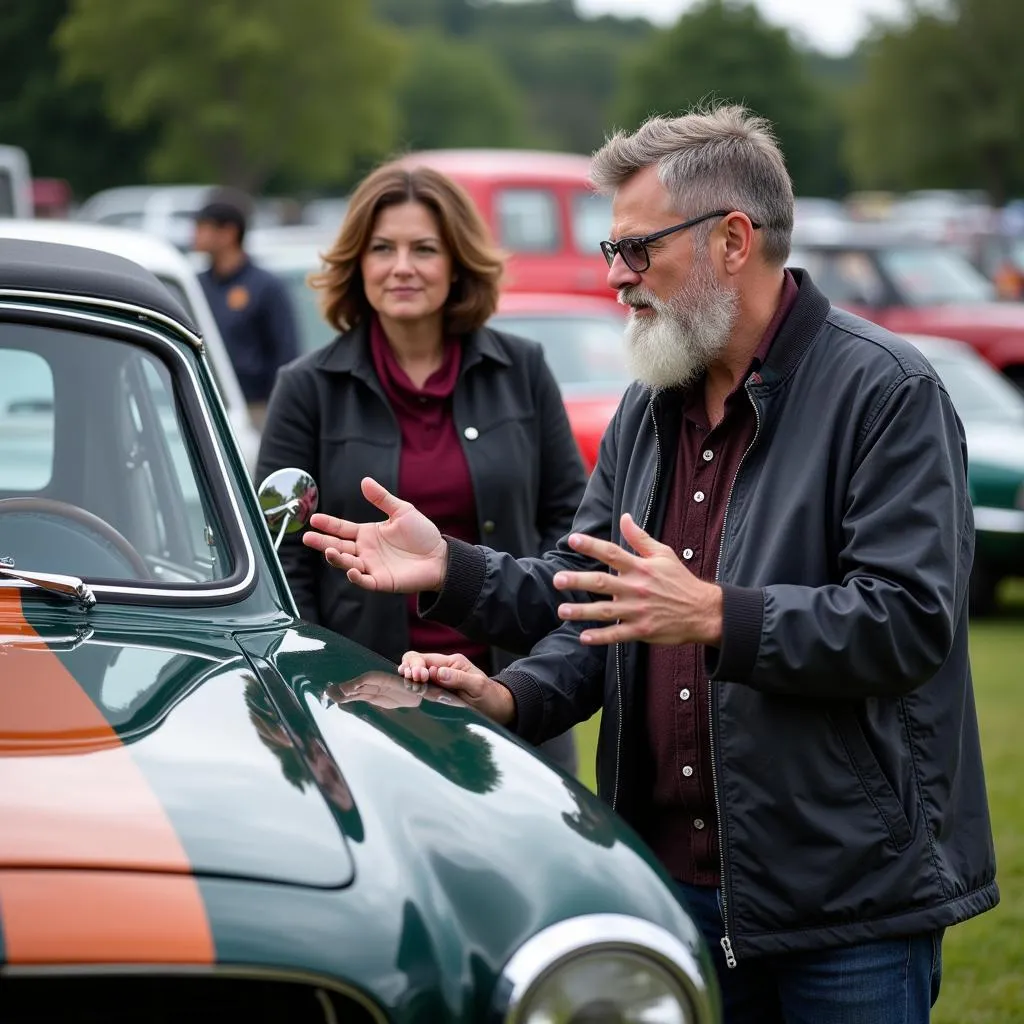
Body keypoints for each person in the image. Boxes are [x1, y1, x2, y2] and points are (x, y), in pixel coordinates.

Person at [302, 106, 999, 1022]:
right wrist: (475, 618)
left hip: (849, 905)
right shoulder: (650, 405)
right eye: (610, 249)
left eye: (637, 249)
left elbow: (907, 623)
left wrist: (716, 615)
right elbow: (598, 605)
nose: (617, 278)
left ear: (733, 241)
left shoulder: (885, 391)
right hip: (667, 888)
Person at [256, 160, 585, 775]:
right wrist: (321, 692)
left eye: (424, 248)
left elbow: (568, 528)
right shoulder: (305, 388)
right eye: (383, 248)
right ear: (357, 262)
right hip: (360, 711)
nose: (401, 266)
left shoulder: (524, 369)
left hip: (507, 701)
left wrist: (528, 677)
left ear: (457, 262)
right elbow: (283, 563)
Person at [193, 191, 300, 428]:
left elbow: (286, 354)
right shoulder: (196, 285)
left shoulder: (265, 286)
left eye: (203, 226)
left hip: (255, 409)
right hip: (204, 402)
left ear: (229, 232)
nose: (195, 234)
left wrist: (280, 411)